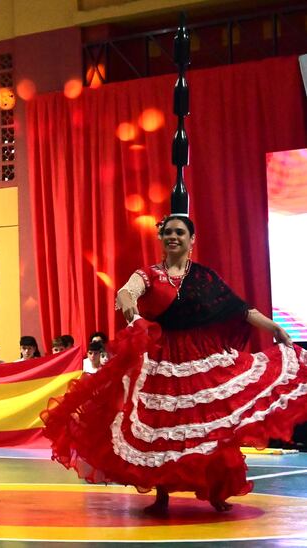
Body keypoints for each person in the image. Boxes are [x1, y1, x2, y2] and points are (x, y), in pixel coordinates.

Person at [41, 215, 305, 515]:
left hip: (202, 359)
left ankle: (217, 490)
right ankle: (162, 495)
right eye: (167, 232)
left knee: (212, 426)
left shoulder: (205, 278)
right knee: (161, 429)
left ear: (192, 240)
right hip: (163, 360)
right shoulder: (149, 275)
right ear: (161, 239)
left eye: (180, 232)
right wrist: (132, 312)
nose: (173, 236)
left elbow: (241, 310)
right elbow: (127, 292)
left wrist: (275, 328)